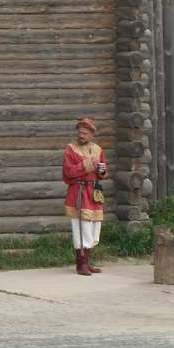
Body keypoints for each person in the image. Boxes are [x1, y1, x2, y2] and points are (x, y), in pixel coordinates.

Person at [63, 117, 106, 276]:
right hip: (79, 193)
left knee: (94, 228)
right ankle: (80, 264)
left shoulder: (98, 149)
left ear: (91, 134)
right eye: (80, 132)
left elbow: (101, 172)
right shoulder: (70, 149)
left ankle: (87, 262)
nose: (81, 135)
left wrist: (101, 171)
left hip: (94, 192)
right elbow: (68, 172)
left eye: (85, 133)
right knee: (81, 228)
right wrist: (88, 165)